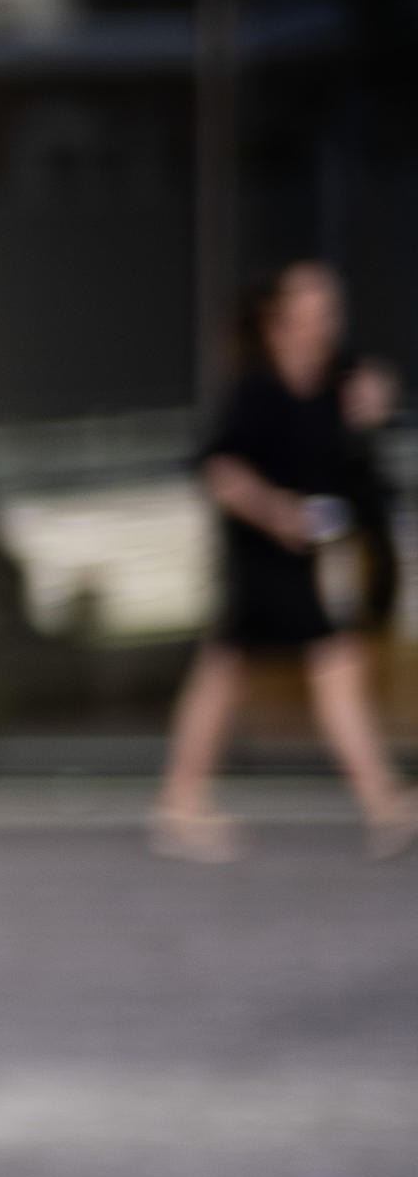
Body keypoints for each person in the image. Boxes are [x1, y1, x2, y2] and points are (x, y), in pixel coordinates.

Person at [151, 262, 409, 862]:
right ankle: (382, 801)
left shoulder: (334, 380)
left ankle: (180, 800)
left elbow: (368, 407)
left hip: (306, 556)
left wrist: (375, 399)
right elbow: (219, 469)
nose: (323, 322)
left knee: (235, 672)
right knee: (315, 665)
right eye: (310, 309)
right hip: (264, 556)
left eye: (328, 309)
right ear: (277, 319)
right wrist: (278, 514)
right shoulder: (258, 391)